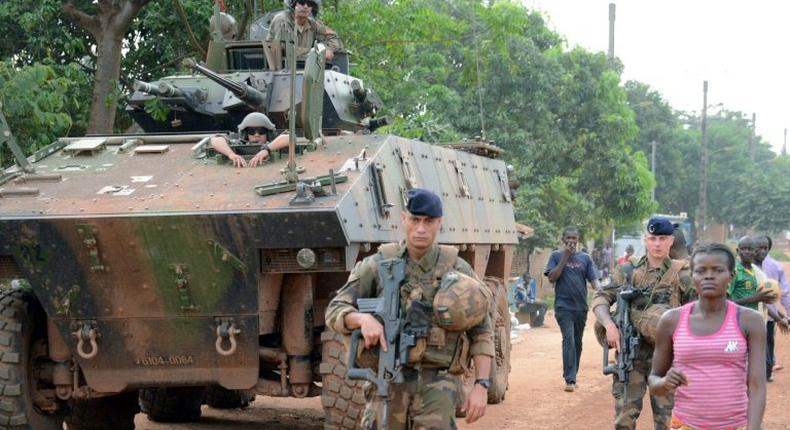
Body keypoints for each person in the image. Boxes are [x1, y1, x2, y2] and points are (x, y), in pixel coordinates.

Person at [324, 188, 494, 429]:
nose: (421, 228)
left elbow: (482, 330)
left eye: (429, 221)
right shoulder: (378, 264)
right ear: (404, 219)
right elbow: (336, 308)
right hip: (387, 380)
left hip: (438, 383)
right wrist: (362, 319)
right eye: (415, 220)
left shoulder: (456, 268)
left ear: (440, 223)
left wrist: (481, 385)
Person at [648, 243, 767, 430]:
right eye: (701, 271)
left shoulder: (749, 320)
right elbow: (654, 380)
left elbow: (757, 384)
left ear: (731, 276)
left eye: (718, 270)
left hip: (736, 425)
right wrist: (664, 382)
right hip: (685, 425)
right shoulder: (671, 320)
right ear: (692, 276)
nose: (709, 276)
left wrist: (753, 428)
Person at [592, 217, 695, 430]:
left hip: (668, 358)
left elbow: (700, 310)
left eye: (662, 238)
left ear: (670, 241)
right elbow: (600, 297)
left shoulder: (683, 273)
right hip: (632, 357)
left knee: (667, 422)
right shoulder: (628, 271)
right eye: (653, 238)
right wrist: (610, 326)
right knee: (624, 420)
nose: (657, 243)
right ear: (645, 240)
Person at [545, 226, 600, 392]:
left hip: (581, 307)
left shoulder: (585, 258)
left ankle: (572, 373)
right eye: (568, 238)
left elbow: (594, 281)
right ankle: (570, 379)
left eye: (574, 238)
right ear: (563, 239)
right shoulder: (555, 256)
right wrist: (565, 258)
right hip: (563, 307)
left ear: (578, 239)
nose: (571, 241)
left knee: (577, 342)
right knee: (568, 339)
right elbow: (552, 278)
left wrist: (601, 290)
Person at [263, 0, 342, 70]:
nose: (305, 6)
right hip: (281, 70)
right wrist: (318, 52)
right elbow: (286, 49)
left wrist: (326, 50)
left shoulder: (312, 23)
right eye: (301, 2)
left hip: (305, 69)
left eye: (310, 3)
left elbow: (334, 38)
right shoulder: (282, 20)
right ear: (293, 4)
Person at [752, 236, 790, 381]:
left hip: (767, 314)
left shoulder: (755, 269)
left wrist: (781, 316)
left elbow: (770, 299)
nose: (762, 251)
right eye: (759, 248)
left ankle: (766, 371)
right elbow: (785, 293)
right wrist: (783, 316)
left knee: (766, 342)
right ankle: (765, 372)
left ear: (769, 249)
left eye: (764, 248)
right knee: (765, 343)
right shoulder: (772, 266)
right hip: (763, 314)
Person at [210, 112, 289, 168]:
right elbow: (216, 139)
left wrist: (267, 149)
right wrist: (231, 154)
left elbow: (289, 137)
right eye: (251, 131)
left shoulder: (276, 143)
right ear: (245, 134)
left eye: (261, 131)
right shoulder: (239, 144)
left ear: (268, 134)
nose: (256, 135)